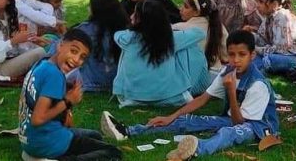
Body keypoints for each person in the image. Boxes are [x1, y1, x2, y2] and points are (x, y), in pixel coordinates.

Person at [100, 30, 279, 161]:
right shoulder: (227, 72)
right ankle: (129, 131)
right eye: (232, 54)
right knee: (188, 120)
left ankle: (197, 149)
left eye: (242, 55)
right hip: (233, 118)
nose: (236, 60)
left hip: (256, 127)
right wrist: (171, 116)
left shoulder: (258, 85)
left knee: (228, 133)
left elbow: (239, 123)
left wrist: (231, 92)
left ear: (252, 55)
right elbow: (202, 98)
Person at [19, 28, 122, 161]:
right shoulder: (54, 75)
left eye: (82, 57)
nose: (76, 60)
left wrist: (66, 110)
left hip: (29, 139)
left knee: (95, 135)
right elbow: (37, 119)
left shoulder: (42, 63)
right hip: (46, 142)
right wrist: (68, 101)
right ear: (60, 45)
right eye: (73, 51)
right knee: (112, 152)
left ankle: (35, 156)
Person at [112, 1, 206, 107]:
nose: (131, 16)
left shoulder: (128, 38)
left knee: (187, 46)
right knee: (190, 47)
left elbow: (117, 34)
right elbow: (199, 33)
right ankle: (191, 85)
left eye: (135, 14)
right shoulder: (171, 38)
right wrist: (172, 28)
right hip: (169, 96)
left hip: (132, 97)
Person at [173, 0, 228, 93]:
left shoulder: (180, 28)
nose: (181, 8)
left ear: (197, 12)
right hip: (215, 77)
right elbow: (226, 55)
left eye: (185, 6)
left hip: (191, 79)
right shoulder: (218, 26)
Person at [74, 0, 129, 92]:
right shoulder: (125, 31)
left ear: (94, 9)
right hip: (116, 82)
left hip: (89, 81)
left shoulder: (84, 30)